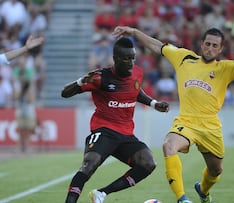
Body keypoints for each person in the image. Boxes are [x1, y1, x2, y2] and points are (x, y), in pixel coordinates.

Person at [112, 26, 234, 203]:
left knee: (215, 170)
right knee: (168, 146)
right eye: (207, 44)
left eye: (214, 45)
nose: (210, 48)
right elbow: (157, 46)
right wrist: (134, 32)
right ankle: (182, 198)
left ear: (220, 49)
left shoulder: (225, 68)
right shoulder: (184, 58)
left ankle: (203, 191)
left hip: (211, 126)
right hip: (186, 122)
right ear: (201, 44)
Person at [62, 37, 169, 203]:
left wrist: (154, 104)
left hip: (126, 135)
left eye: (133, 58)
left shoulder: (137, 73)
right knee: (90, 165)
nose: (131, 63)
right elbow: (65, 93)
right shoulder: (100, 78)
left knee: (148, 163)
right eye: (126, 59)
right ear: (116, 59)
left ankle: (101, 193)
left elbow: (135, 91)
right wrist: (80, 81)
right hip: (104, 131)